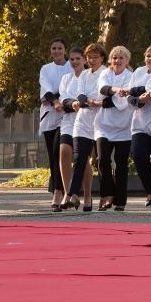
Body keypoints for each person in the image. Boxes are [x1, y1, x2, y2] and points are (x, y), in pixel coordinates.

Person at [64, 42, 107, 211]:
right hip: (82, 121)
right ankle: (74, 194)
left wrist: (92, 100)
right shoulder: (84, 75)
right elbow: (81, 95)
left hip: (101, 122)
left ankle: (105, 196)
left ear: (102, 58)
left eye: (95, 57)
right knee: (79, 158)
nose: (92, 60)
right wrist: (89, 101)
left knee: (102, 161)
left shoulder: (106, 73)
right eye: (89, 57)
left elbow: (101, 95)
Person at [95, 46, 134, 211]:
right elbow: (102, 89)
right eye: (114, 58)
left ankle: (120, 200)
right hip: (103, 125)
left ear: (127, 60)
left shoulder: (131, 77)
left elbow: (123, 103)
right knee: (102, 160)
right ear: (110, 60)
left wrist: (106, 100)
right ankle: (107, 195)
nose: (117, 61)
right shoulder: (105, 73)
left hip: (124, 127)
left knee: (121, 164)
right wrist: (116, 90)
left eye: (121, 58)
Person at [126, 45, 151, 208]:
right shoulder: (138, 72)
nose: (150, 59)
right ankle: (150, 190)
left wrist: (146, 95)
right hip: (139, 123)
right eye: (148, 55)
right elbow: (129, 94)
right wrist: (138, 100)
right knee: (138, 155)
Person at [38, 38, 71, 211]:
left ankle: (59, 191)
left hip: (66, 115)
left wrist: (56, 100)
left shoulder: (71, 67)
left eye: (60, 48)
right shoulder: (46, 69)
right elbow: (45, 89)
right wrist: (54, 100)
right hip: (50, 117)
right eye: (54, 48)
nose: (57, 51)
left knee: (61, 152)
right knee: (53, 156)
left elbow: (70, 88)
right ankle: (60, 189)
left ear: (65, 50)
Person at [56, 48, 86, 210]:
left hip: (85, 122)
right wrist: (71, 103)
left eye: (78, 59)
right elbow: (63, 98)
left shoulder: (89, 76)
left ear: (84, 60)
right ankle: (68, 193)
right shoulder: (66, 78)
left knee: (82, 158)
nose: (74, 62)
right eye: (72, 59)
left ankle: (84, 195)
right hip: (68, 121)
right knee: (64, 152)